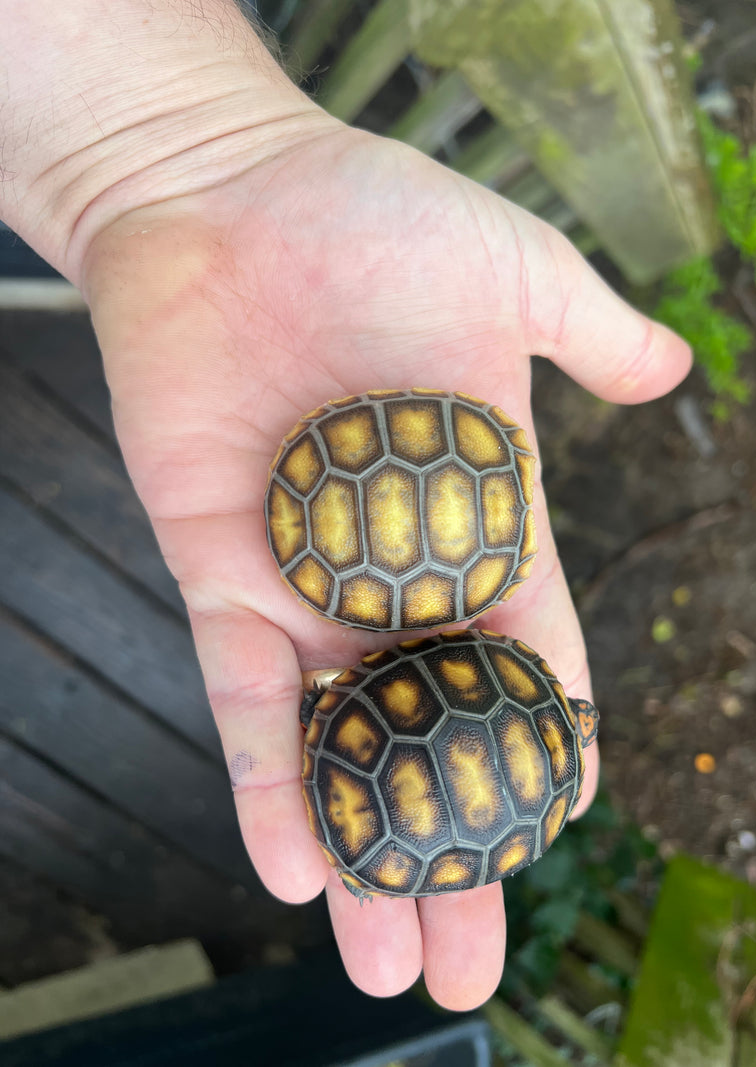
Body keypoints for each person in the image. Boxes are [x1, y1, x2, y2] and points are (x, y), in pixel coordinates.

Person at [0, 0, 691, 1011]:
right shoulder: (432, 613)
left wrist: (148, 154)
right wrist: (163, 147)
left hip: (403, 527)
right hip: (394, 576)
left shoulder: (474, 605)